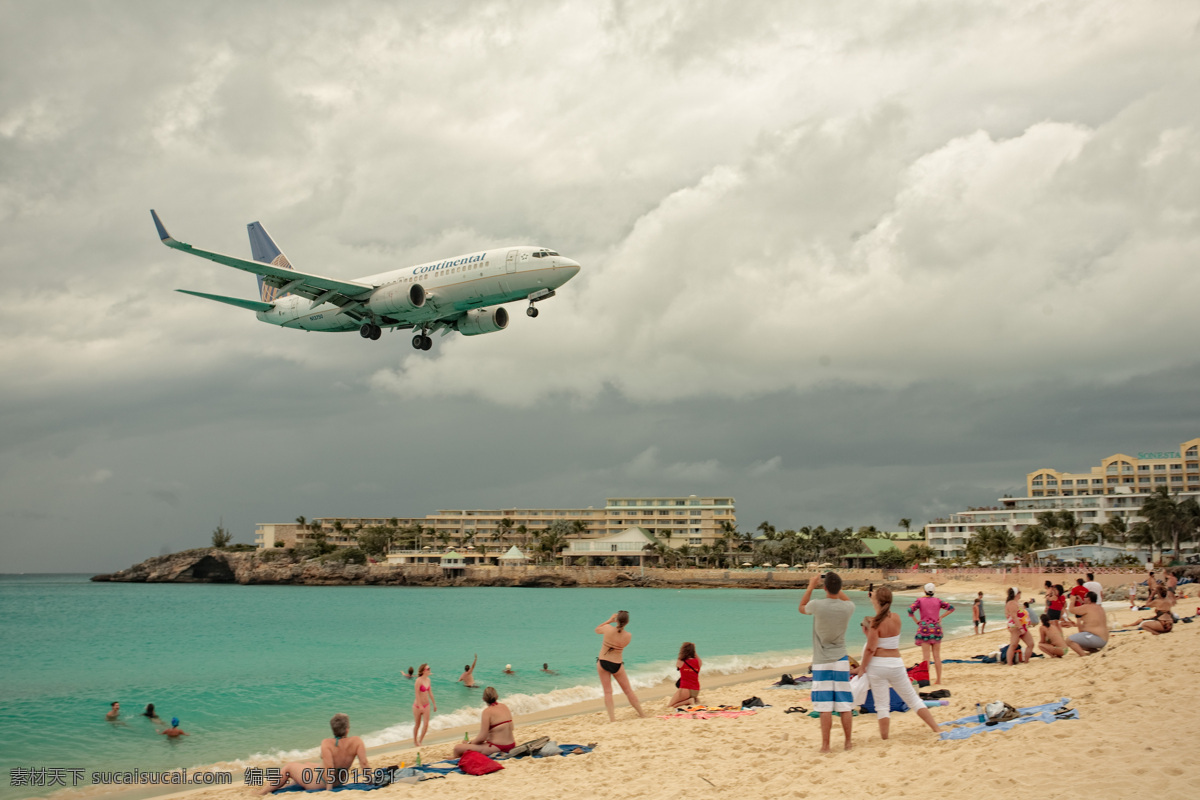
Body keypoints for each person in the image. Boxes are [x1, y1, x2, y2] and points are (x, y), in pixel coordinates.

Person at [852, 587, 940, 739]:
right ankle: (936, 728)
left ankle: (885, 737)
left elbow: (870, 650)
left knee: (882, 705)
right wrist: (874, 597)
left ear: (876, 602)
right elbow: (881, 610)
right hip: (896, 663)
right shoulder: (896, 618)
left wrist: (862, 668)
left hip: (878, 666)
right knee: (913, 699)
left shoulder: (874, 623)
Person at [799, 572, 855, 752]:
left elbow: (801, 607)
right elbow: (845, 599)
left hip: (822, 661)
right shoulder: (848, 607)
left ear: (824, 588)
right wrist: (837, 588)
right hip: (841, 659)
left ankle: (826, 745)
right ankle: (847, 742)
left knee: (824, 707)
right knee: (845, 705)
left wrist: (810, 586)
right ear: (839, 588)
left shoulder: (817, 605)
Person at [260, 713, 369, 794]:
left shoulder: (326, 743)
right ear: (347, 730)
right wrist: (370, 781)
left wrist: (328, 790)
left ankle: (261, 793)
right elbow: (364, 763)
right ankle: (291, 783)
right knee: (308, 764)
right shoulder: (357, 741)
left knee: (288, 768)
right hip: (339, 781)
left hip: (318, 783)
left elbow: (330, 767)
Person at [595, 611, 645, 722]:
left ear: (616, 620)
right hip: (617, 664)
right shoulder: (628, 636)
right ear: (627, 622)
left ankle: (612, 719)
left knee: (608, 692)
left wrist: (609, 620)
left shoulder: (607, 628)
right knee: (628, 691)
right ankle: (642, 714)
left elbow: (597, 629)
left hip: (603, 662)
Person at [907, 583, 954, 684]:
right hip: (936, 629)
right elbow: (951, 608)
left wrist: (916, 621)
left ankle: (926, 680)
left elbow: (910, 610)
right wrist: (941, 617)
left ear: (924, 591)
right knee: (937, 656)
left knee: (926, 657)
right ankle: (938, 679)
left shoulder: (920, 600)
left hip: (924, 630)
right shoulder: (938, 600)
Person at [453, 687, 515, 757]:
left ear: (483, 699)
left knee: (457, 748)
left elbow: (482, 738)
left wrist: (469, 743)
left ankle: (455, 759)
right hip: (511, 745)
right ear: (497, 696)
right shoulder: (504, 706)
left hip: (497, 747)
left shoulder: (487, 712)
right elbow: (512, 728)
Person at [1066, 591, 1109, 655]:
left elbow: (1071, 610)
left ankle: (1083, 655)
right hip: (1104, 639)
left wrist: (1072, 601)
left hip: (1096, 638)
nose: (1083, 598)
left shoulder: (1086, 607)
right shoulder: (1100, 608)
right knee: (1079, 641)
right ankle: (1094, 651)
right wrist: (1081, 602)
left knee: (1069, 640)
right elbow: (1087, 610)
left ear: (1088, 599)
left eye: (1085, 597)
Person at [1004, 587, 1035, 665]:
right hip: (1015, 627)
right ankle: (1009, 663)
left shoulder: (1015, 602)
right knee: (1013, 645)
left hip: (1021, 626)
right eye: (1019, 592)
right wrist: (1020, 628)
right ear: (1016, 594)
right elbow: (1014, 616)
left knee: (1030, 644)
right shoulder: (1011, 603)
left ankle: (1026, 662)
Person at [667, 642, 702, 708]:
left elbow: (678, 663)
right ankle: (693, 699)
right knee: (678, 702)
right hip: (696, 690)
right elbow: (697, 658)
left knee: (670, 706)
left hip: (685, 689)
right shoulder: (698, 662)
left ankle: (688, 701)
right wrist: (693, 649)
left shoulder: (681, 662)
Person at [412, 663, 436, 747]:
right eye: (428, 669)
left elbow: (430, 692)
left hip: (427, 705)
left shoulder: (428, 680)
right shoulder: (418, 680)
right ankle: (415, 741)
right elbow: (417, 694)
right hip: (417, 706)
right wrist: (420, 706)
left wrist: (434, 703)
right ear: (423, 671)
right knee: (417, 724)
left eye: (429, 668)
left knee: (426, 724)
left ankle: (420, 741)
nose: (429, 670)